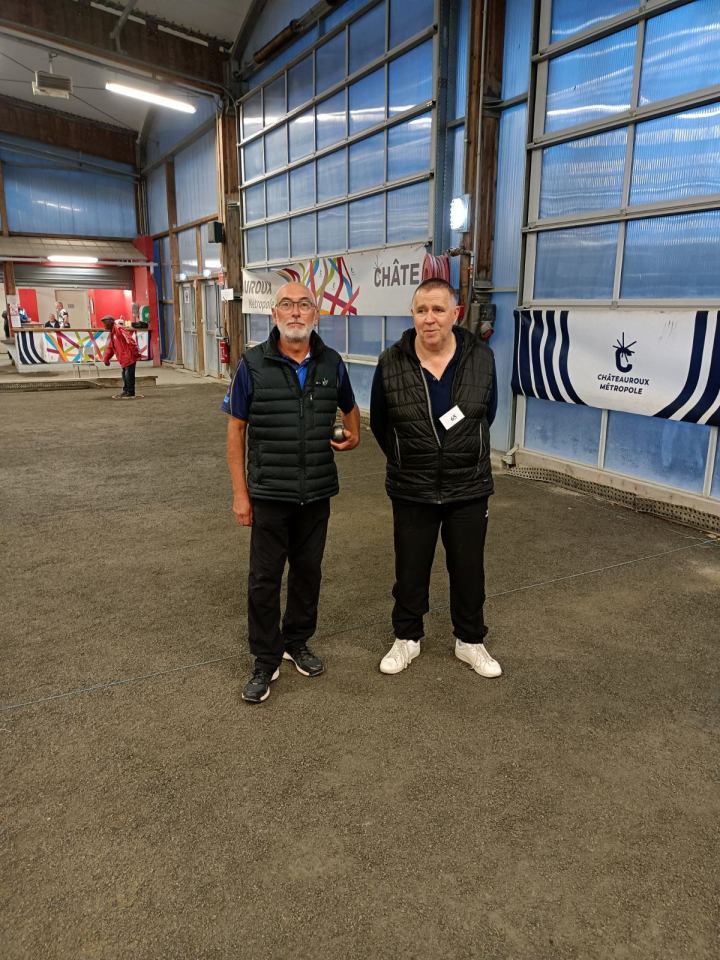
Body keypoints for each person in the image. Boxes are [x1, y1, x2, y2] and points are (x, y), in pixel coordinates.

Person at [223, 282, 361, 704]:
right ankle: (265, 658)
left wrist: (353, 435)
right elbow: (236, 429)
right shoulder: (252, 364)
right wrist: (240, 494)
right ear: (274, 314)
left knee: (308, 572)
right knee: (264, 579)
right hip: (269, 493)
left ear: (316, 315)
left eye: (304, 305)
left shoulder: (331, 362)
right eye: (287, 305)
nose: (296, 312)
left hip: (316, 492)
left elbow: (350, 407)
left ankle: (296, 641)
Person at [370, 277, 502, 679]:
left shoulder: (481, 358)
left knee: (469, 569)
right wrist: (408, 458)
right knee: (410, 569)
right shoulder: (391, 362)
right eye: (422, 310)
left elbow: (486, 413)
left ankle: (470, 640)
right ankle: (407, 637)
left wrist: (458, 451)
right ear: (413, 314)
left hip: (468, 485)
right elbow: (381, 423)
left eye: (438, 310)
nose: (430, 318)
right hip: (412, 486)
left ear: (455, 314)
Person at [100, 314, 142, 399]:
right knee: (125, 374)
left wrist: (136, 353)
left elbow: (130, 340)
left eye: (105, 323)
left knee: (128, 375)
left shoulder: (119, 329)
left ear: (110, 322)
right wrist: (106, 358)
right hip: (123, 358)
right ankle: (126, 391)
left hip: (129, 356)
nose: (104, 325)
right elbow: (110, 347)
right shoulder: (113, 332)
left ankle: (130, 392)